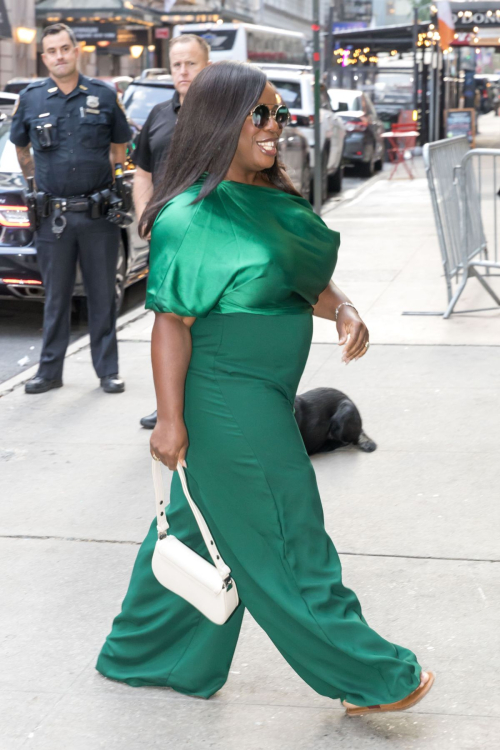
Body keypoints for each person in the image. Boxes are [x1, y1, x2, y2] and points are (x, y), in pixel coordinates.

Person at [96, 62, 434, 715]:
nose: (276, 126)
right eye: (261, 114)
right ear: (222, 121)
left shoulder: (270, 199)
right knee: (288, 532)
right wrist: (170, 421)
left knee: (203, 526)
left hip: (265, 394)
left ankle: (142, 653)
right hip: (226, 400)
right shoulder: (190, 216)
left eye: (280, 114)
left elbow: (294, 279)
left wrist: (342, 309)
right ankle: (368, 676)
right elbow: (170, 322)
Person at [10, 23, 131, 395]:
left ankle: (107, 371)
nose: (59, 56)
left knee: (102, 297)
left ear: (76, 50)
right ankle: (49, 372)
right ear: (43, 57)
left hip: (97, 214)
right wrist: (36, 185)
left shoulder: (103, 95)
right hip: (53, 218)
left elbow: (119, 146)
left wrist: (108, 183)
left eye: (65, 48)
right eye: (52, 51)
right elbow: (20, 147)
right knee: (56, 298)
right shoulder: (31, 98)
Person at [133, 34, 210, 428]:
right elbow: (142, 170)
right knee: (167, 324)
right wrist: (146, 218)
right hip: (168, 241)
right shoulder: (158, 115)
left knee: (208, 327)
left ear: (206, 66)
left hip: (211, 240)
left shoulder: (222, 115)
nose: (182, 71)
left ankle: (204, 405)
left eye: (190, 63)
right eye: (176, 64)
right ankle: (168, 408)